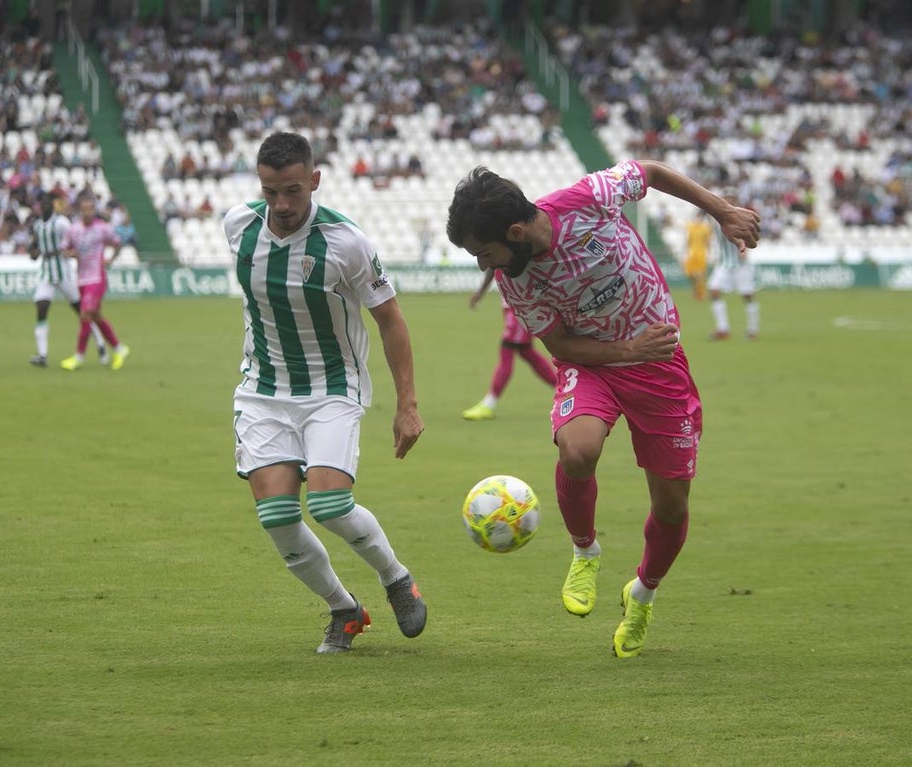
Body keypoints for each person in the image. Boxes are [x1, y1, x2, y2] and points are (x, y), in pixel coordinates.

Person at [446, 160, 760, 658]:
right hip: (596, 363)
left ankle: (643, 593)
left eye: (486, 254)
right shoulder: (517, 280)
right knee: (578, 449)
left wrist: (721, 211)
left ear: (516, 231)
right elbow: (562, 347)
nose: (486, 267)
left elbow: (651, 173)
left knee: (672, 508)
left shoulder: (589, 197)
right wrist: (626, 350)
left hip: (659, 364)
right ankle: (585, 550)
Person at [223, 131, 427, 654]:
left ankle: (396, 579)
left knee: (332, 504)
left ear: (314, 180)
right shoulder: (237, 226)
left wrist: (407, 404)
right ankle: (344, 609)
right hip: (263, 390)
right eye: (271, 192)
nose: (282, 204)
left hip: (332, 387)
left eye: (293, 190)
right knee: (277, 517)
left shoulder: (347, 243)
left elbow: (391, 321)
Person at [462, 268, 558, 421]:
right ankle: (562, 388)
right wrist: (481, 292)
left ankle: (489, 404)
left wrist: (480, 292)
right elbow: (494, 266)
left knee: (507, 349)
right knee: (526, 351)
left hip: (521, 304)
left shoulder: (515, 245)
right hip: (512, 303)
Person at [28, 192, 107, 367]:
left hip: (64, 273)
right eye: (44, 203)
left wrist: (74, 254)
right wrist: (34, 252)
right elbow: (35, 246)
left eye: (50, 202)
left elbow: (75, 239)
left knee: (82, 312)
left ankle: (100, 343)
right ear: (41, 205)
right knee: (41, 308)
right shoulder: (38, 225)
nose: (47, 206)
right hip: (47, 273)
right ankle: (42, 355)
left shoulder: (61, 223)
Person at [58, 194, 131, 371]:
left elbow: (118, 243)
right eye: (84, 210)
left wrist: (111, 260)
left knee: (85, 315)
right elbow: (64, 249)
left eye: (90, 209)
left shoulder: (103, 228)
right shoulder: (73, 230)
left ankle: (78, 356)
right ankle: (119, 349)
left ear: (94, 210)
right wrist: (70, 254)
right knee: (96, 317)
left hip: (97, 278)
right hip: (82, 278)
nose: (87, 213)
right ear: (79, 211)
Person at [707, 227, 759, 341]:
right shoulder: (716, 219)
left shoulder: (735, 218)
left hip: (740, 265)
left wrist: (744, 250)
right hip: (724, 264)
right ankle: (723, 329)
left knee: (747, 296)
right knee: (714, 290)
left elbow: (745, 234)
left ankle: (752, 329)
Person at [683, 211, 713, 301]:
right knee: (689, 274)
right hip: (691, 254)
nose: (697, 219)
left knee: (700, 274)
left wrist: (710, 252)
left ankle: (701, 293)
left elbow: (708, 242)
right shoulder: (690, 227)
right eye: (696, 217)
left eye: (699, 217)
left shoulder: (705, 228)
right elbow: (687, 240)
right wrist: (685, 252)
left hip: (701, 253)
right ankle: (696, 290)